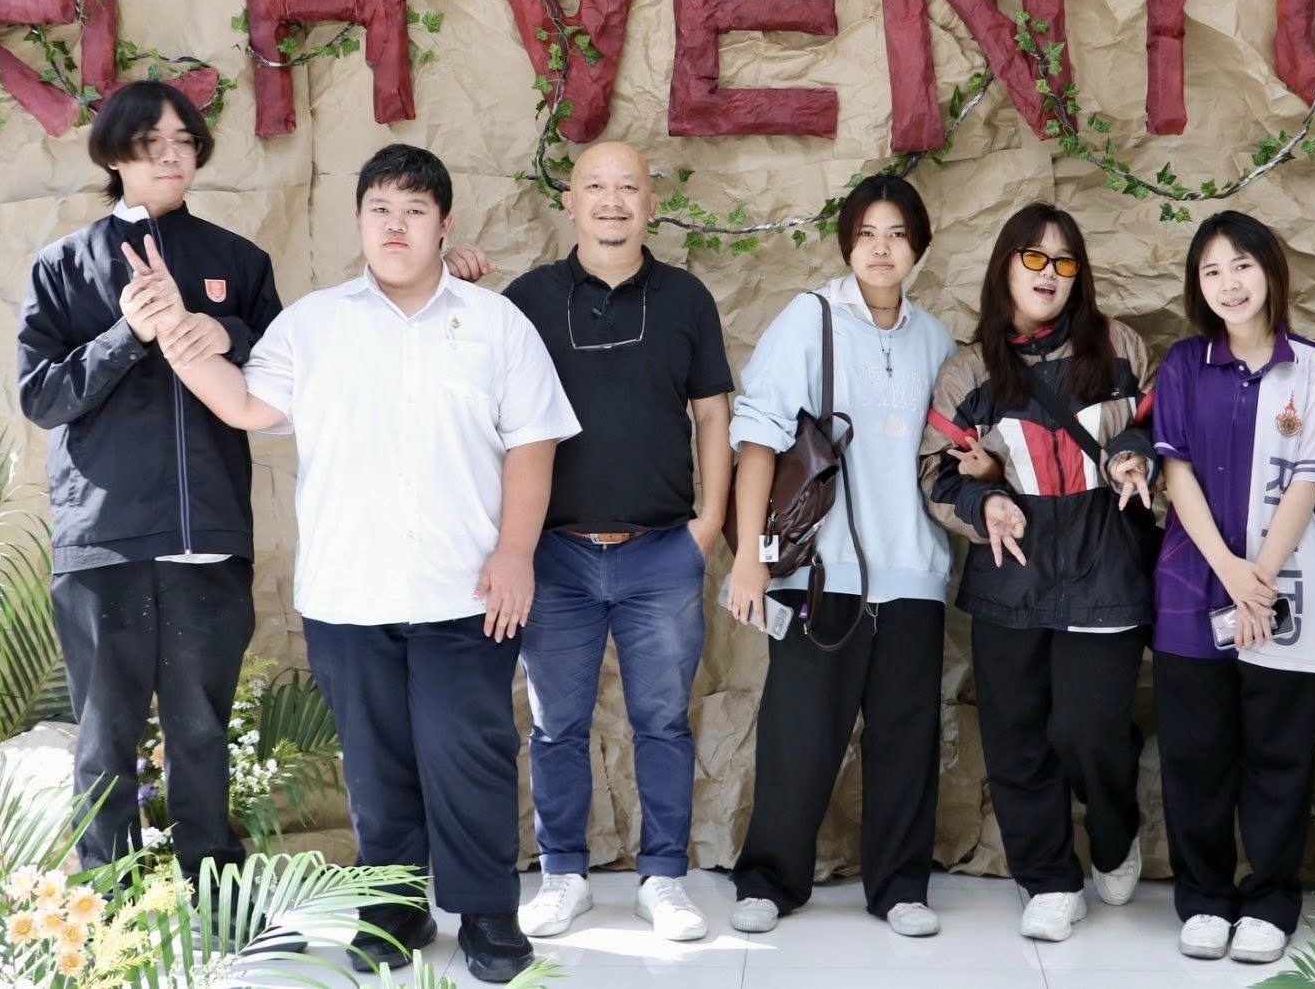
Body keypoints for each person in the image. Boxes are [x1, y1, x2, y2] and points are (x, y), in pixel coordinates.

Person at [162, 143, 580, 984]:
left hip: (467, 591)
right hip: (348, 592)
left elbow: (533, 443)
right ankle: (393, 909)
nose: (397, 225)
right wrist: (174, 334)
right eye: (381, 208)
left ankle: (489, 915)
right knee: (376, 764)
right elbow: (245, 403)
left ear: (444, 224)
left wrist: (515, 553)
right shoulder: (313, 324)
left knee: (471, 755)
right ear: (358, 220)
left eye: (415, 210)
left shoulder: (495, 323)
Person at [15, 79, 279, 887]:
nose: (171, 155)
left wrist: (222, 329)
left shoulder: (239, 261)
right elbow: (42, 396)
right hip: (106, 539)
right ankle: (111, 903)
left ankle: (214, 896)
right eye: (151, 142)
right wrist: (128, 332)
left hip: (210, 537)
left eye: (184, 141)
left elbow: (284, 371)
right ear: (114, 153)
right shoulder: (64, 266)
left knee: (201, 729)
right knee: (105, 737)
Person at [497, 141, 733, 942]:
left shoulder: (686, 298)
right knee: (556, 724)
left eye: (627, 186)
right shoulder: (526, 300)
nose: (611, 200)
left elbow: (713, 415)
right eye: (594, 185)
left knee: (662, 722)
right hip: (555, 554)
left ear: (650, 203)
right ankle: (563, 872)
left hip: (661, 549)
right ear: (569, 201)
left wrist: (708, 524)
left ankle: (663, 878)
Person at [723, 175, 957, 939]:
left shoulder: (937, 340)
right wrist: (753, 557)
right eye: (866, 233)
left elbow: (952, 453)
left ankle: (900, 887)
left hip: (914, 572)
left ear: (919, 246)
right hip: (821, 572)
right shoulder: (810, 318)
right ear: (847, 243)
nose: (881, 248)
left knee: (906, 740)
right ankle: (769, 880)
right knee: (798, 736)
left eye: (897, 234)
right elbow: (758, 436)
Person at [918, 202, 1157, 943]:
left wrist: (1137, 457)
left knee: (1090, 727)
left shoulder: (1120, 348)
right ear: (1005, 268)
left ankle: (1114, 833)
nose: (1048, 273)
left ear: (1079, 275)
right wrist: (984, 501)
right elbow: (935, 473)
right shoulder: (968, 370)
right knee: (1017, 735)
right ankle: (1048, 879)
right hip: (1011, 569)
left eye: (1063, 261)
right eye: (1033, 257)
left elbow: (1160, 429)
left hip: (1103, 562)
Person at [1149, 211, 1315, 964]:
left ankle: (1270, 900)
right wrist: (1231, 572)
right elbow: (1176, 473)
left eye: (1241, 265)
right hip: (1193, 579)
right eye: (1212, 271)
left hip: (1285, 581)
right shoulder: (1183, 364)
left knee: (1279, 750)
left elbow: (1309, 482)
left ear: (1270, 271)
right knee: (1195, 752)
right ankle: (1203, 897)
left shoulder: (1314, 369)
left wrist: (1259, 576)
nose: (1229, 283)